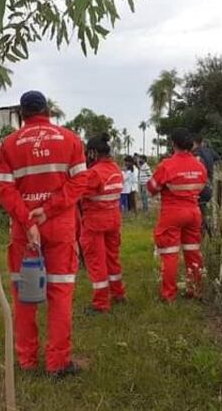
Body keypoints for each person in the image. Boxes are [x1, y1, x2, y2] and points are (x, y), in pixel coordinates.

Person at [0, 90, 88, 377]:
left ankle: (26, 361)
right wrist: (48, 210)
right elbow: (80, 183)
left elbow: (4, 189)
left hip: (25, 231)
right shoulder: (70, 139)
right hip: (60, 225)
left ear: (22, 114)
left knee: (25, 295)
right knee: (60, 293)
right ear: (48, 110)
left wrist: (28, 219)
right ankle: (57, 363)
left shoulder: (7, 145)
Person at [147, 128, 208, 302]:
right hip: (194, 212)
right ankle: (195, 289)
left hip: (173, 213)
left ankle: (168, 295)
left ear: (173, 144)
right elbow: (203, 185)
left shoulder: (167, 165)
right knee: (193, 252)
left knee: (170, 254)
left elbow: (151, 188)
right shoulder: (199, 165)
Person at [80, 133, 126, 314]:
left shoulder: (94, 173)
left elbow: (78, 192)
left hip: (95, 223)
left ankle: (100, 303)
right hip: (113, 219)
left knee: (97, 261)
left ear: (92, 153)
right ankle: (118, 293)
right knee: (112, 258)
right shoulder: (115, 169)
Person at [193, 134, 221, 237]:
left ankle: (205, 232)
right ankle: (206, 231)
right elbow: (218, 159)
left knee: (199, 210)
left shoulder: (195, 154)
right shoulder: (210, 151)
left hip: (200, 186)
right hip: (209, 185)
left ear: (194, 143)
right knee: (202, 208)